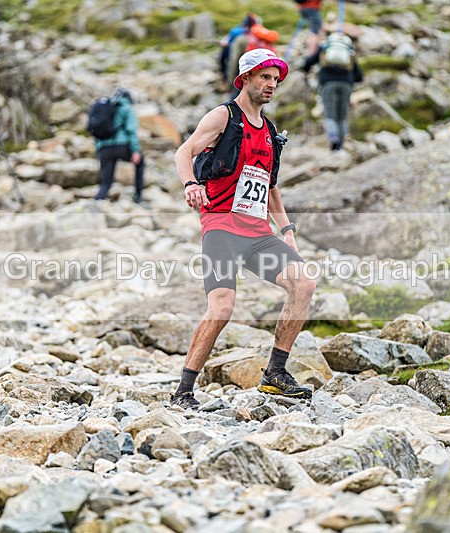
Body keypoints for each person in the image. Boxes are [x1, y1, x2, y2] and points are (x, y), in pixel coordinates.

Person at [170, 49, 317, 409]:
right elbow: (183, 152)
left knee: (304, 282)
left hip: (259, 234)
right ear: (246, 78)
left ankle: (275, 374)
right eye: (265, 77)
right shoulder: (224, 116)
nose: (271, 85)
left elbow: (269, 188)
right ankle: (183, 391)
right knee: (222, 307)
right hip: (221, 227)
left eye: (275, 79)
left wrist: (287, 231)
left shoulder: (268, 130)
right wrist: (191, 185)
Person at [303, 30, 362, 151]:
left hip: (328, 83)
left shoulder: (325, 46)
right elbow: (359, 76)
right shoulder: (348, 50)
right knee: (342, 115)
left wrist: (305, 68)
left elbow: (310, 61)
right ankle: (343, 141)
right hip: (346, 84)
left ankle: (333, 138)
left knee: (330, 114)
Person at [93, 88, 144, 204]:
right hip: (121, 146)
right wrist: (135, 151)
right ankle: (138, 196)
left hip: (104, 149)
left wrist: (99, 150)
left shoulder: (105, 107)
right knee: (140, 163)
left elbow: (96, 131)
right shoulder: (127, 108)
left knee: (106, 181)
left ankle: (98, 201)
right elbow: (131, 131)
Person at [219, 13, 257, 85]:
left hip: (234, 59)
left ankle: (227, 81)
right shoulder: (255, 34)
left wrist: (229, 81)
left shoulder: (237, 32)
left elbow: (233, 59)